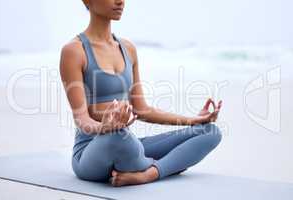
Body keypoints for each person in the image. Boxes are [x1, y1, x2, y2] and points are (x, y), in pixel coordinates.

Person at [59, 0, 223, 187]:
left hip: (127, 143)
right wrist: (104, 128)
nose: (120, 1)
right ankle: (165, 164)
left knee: (211, 132)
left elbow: (141, 109)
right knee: (119, 137)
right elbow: (81, 119)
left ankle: (149, 173)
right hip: (90, 152)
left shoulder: (128, 49)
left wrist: (192, 120)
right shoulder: (74, 51)